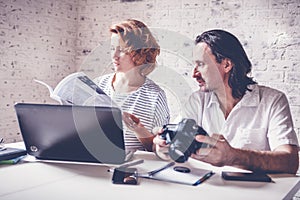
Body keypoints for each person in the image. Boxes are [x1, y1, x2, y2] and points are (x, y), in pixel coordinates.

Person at [153, 29, 299, 174]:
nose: (194, 74)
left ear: (227, 65)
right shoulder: (198, 100)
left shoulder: (272, 101)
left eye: (201, 65)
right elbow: (167, 144)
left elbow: (290, 162)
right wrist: (162, 147)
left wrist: (233, 157)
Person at [94, 19, 170, 152]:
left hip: (132, 170)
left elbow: (161, 151)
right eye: (112, 48)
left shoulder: (155, 97)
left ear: (140, 52)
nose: (114, 55)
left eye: (122, 50)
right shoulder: (97, 85)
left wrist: (140, 131)